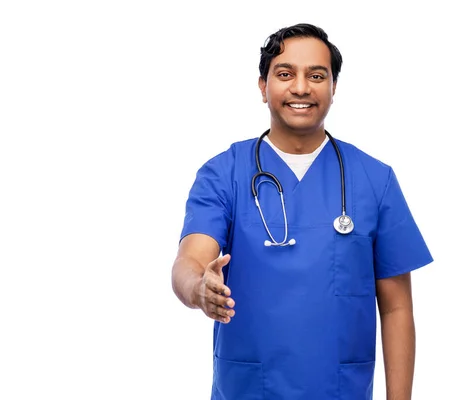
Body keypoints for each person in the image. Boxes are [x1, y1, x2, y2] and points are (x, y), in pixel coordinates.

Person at [171, 23, 433, 400]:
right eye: (284, 74)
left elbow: (395, 309)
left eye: (316, 75)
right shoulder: (224, 173)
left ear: (333, 88)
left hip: (339, 390)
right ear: (263, 87)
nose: (300, 87)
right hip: (248, 389)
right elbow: (189, 261)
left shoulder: (375, 180)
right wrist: (198, 288)